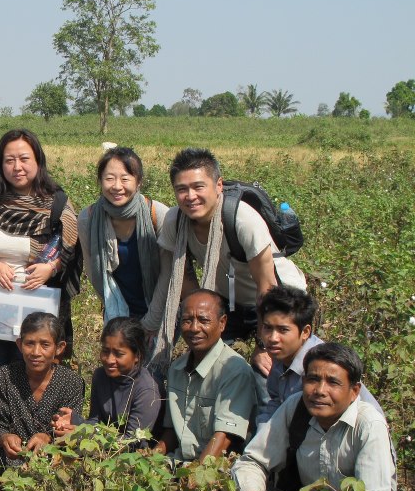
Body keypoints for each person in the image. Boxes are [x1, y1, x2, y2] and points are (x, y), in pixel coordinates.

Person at [232, 343, 402, 491]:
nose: (320, 390)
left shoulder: (369, 425)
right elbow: (252, 460)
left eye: (333, 382)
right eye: (312, 379)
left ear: (354, 391)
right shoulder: (296, 407)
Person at [146, 148, 306, 368]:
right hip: (230, 303)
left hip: (279, 298)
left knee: (272, 372)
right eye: (181, 189)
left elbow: (267, 288)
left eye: (198, 187)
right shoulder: (176, 220)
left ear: (218, 185)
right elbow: (181, 276)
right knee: (212, 366)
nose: (190, 196)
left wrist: (263, 345)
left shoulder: (242, 219)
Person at [0, 129, 79, 383]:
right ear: (0, 164)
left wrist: (50, 268)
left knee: (34, 373)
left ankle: (32, 423)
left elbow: (71, 246)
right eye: (9, 160)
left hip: (37, 305)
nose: (17, 167)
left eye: (24, 159)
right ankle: (0, 422)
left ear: (38, 161)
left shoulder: (56, 201)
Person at [156, 290, 261, 463]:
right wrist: (146, 463)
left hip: (213, 470)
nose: (194, 328)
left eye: (203, 320)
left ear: (222, 323)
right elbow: (173, 432)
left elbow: (224, 437)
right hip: (178, 464)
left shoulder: (235, 371)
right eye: (187, 320)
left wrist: (193, 479)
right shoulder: (176, 369)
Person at [254, 285, 382, 426]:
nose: (273, 338)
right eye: (267, 328)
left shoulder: (324, 364)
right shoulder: (280, 357)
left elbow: (368, 421)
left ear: (305, 332)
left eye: (283, 330)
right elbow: (275, 405)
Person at [0, 312, 85, 467]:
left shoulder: (71, 382)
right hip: (12, 456)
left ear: (59, 348)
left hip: (52, 456)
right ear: (19, 344)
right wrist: (4, 438)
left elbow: (69, 428)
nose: (36, 352)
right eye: (29, 343)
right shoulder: (3, 376)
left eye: (45, 345)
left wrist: (48, 437)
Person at [78, 146, 168, 322]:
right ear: (100, 181)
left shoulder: (158, 214)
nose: (117, 186)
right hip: (116, 313)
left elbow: (168, 273)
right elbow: (92, 270)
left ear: (139, 181)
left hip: (159, 311)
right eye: (109, 179)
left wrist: (153, 318)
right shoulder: (87, 218)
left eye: (125, 179)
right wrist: (116, 312)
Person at [53, 316, 163, 448]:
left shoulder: (146, 391)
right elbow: (96, 421)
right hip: (105, 450)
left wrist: (82, 434)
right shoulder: (101, 376)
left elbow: (131, 442)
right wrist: (75, 420)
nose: (110, 360)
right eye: (105, 351)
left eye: (119, 354)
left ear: (137, 356)